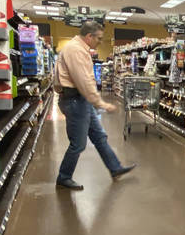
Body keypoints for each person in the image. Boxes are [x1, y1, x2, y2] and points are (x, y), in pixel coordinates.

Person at [55, 21, 135, 189]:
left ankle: (115, 168)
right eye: (98, 38)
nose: (100, 41)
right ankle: (64, 177)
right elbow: (83, 81)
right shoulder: (75, 50)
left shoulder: (80, 49)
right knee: (78, 144)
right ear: (89, 36)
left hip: (80, 100)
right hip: (75, 100)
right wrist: (100, 103)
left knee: (99, 137)